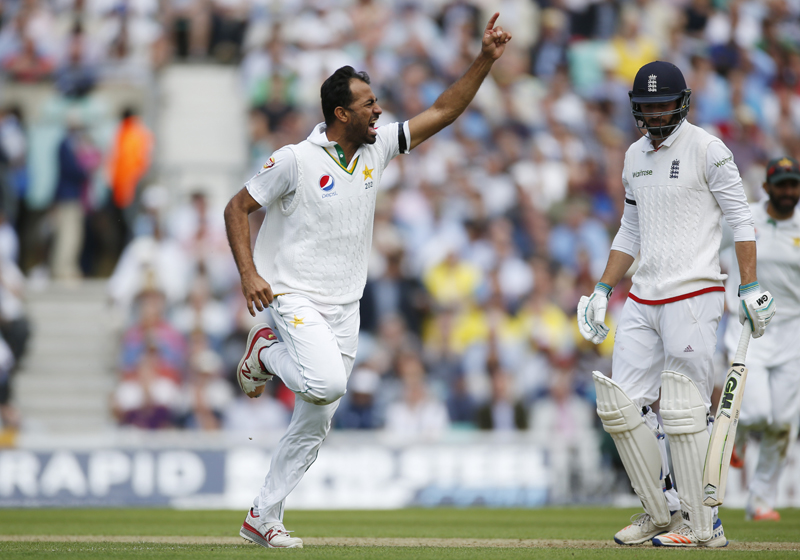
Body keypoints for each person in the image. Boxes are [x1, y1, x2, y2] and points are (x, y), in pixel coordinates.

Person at [223, 14, 511, 549]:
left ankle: (262, 515)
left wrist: (485, 60)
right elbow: (237, 207)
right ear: (340, 113)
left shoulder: (377, 147)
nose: (378, 110)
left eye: (376, 102)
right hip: (292, 295)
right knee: (327, 383)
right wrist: (249, 275)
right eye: (368, 104)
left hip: (346, 306)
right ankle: (264, 353)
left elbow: (444, 111)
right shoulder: (294, 160)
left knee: (316, 420)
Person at [577, 60, 776, 548]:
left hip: (695, 290)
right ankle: (660, 508)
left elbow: (742, 220)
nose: (654, 113)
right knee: (622, 406)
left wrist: (748, 287)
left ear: (683, 102)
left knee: (684, 410)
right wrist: (602, 289)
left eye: (663, 103)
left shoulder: (709, 149)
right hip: (643, 294)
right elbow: (631, 229)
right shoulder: (633, 155)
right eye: (646, 107)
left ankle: (702, 523)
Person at [721, 157, 800, 522]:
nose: (787, 192)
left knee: (784, 422)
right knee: (756, 411)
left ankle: (760, 500)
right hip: (748, 325)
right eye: (781, 184)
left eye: (793, 184)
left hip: (793, 331)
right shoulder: (744, 218)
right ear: (766, 187)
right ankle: (734, 437)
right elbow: (704, 244)